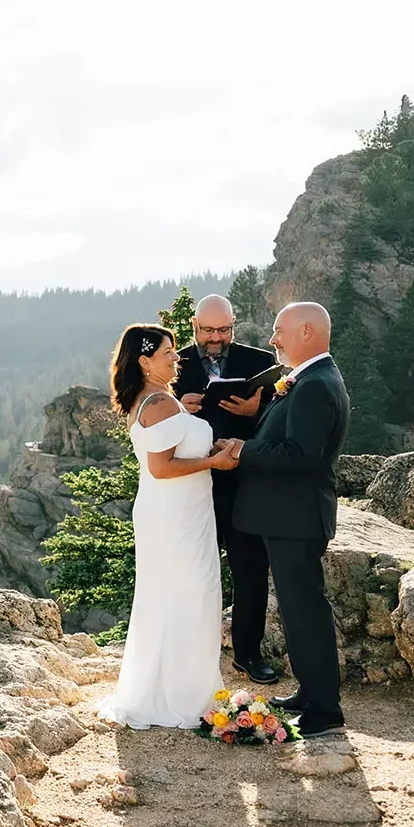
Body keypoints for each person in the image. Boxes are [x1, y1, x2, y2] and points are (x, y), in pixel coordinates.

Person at [215, 302, 351, 738]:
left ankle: (324, 709)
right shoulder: (310, 378)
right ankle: (310, 694)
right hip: (288, 516)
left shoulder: (314, 385)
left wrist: (242, 449)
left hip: (297, 517)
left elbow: (300, 455)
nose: (272, 340)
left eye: (279, 331)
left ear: (307, 331)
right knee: (296, 611)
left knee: (306, 610)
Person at [97, 324, 239, 730]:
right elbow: (161, 467)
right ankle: (183, 696)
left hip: (181, 512)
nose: (177, 358)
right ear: (144, 362)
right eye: (167, 353)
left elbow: (175, 452)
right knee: (191, 594)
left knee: (180, 595)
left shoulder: (161, 399)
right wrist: (214, 462)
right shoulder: (158, 401)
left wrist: (205, 447)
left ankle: (179, 686)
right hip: (174, 517)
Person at [172, 294, 280, 686]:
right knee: (188, 571)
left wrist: (256, 411)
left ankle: (248, 654)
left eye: (223, 330)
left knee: (250, 571)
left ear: (234, 325)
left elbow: (280, 421)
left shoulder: (260, 363)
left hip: (244, 484)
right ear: (194, 326)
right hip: (191, 485)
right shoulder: (173, 364)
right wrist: (177, 407)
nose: (216, 338)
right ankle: (183, 655)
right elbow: (148, 417)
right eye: (208, 330)